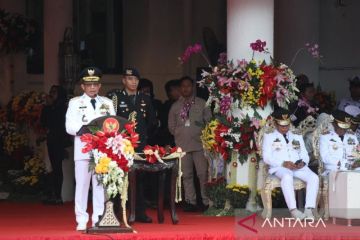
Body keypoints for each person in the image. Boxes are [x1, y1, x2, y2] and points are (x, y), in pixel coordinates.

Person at [65, 67, 115, 231]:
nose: (92, 87)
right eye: (89, 84)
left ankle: (98, 218)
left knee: (100, 186)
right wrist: (86, 129)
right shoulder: (75, 103)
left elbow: (114, 123)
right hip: (83, 150)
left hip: (102, 151)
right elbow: (69, 126)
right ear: (83, 86)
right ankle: (81, 219)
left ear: (100, 86)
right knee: (82, 186)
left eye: (95, 84)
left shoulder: (107, 103)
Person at [109, 67, 156, 223]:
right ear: (124, 80)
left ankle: (139, 213)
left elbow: (151, 122)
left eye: (136, 79)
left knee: (139, 179)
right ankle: (116, 213)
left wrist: (142, 137)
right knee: (118, 178)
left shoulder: (145, 98)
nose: (133, 82)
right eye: (130, 79)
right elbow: (110, 121)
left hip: (139, 145)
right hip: (119, 145)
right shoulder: (115, 97)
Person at [262, 108, 319, 220]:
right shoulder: (269, 137)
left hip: (297, 167)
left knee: (314, 177)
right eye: (282, 125)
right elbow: (266, 157)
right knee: (287, 176)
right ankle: (294, 210)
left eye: (287, 125)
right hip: (280, 167)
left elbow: (304, 154)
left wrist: (303, 162)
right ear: (275, 123)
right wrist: (283, 163)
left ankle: (308, 209)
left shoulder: (296, 136)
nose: (285, 128)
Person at [168, 76, 211, 212]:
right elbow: (171, 126)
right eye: (183, 86)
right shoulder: (175, 106)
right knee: (186, 175)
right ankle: (190, 201)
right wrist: (180, 134)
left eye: (188, 86)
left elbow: (209, 122)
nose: (186, 88)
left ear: (193, 87)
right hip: (183, 146)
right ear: (180, 88)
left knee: (203, 173)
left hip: (200, 145)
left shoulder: (202, 103)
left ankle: (206, 201)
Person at [40, 85, 69, 205]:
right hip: (52, 140)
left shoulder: (62, 107)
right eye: (51, 92)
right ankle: (53, 194)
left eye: (54, 92)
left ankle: (58, 195)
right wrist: (47, 106)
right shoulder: (49, 107)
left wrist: (51, 106)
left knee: (58, 168)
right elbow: (44, 122)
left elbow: (60, 122)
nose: (52, 94)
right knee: (53, 167)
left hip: (60, 141)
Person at [319, 110, 359, 174]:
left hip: (352, 167)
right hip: (334, 169)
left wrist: (357, 162)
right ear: (334, 124)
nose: (343, 130)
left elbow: (357, 153)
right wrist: (345, 163)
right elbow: (325, 157)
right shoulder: (325, 137)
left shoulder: (352, 137)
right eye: (341, 127)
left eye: (346, 127)